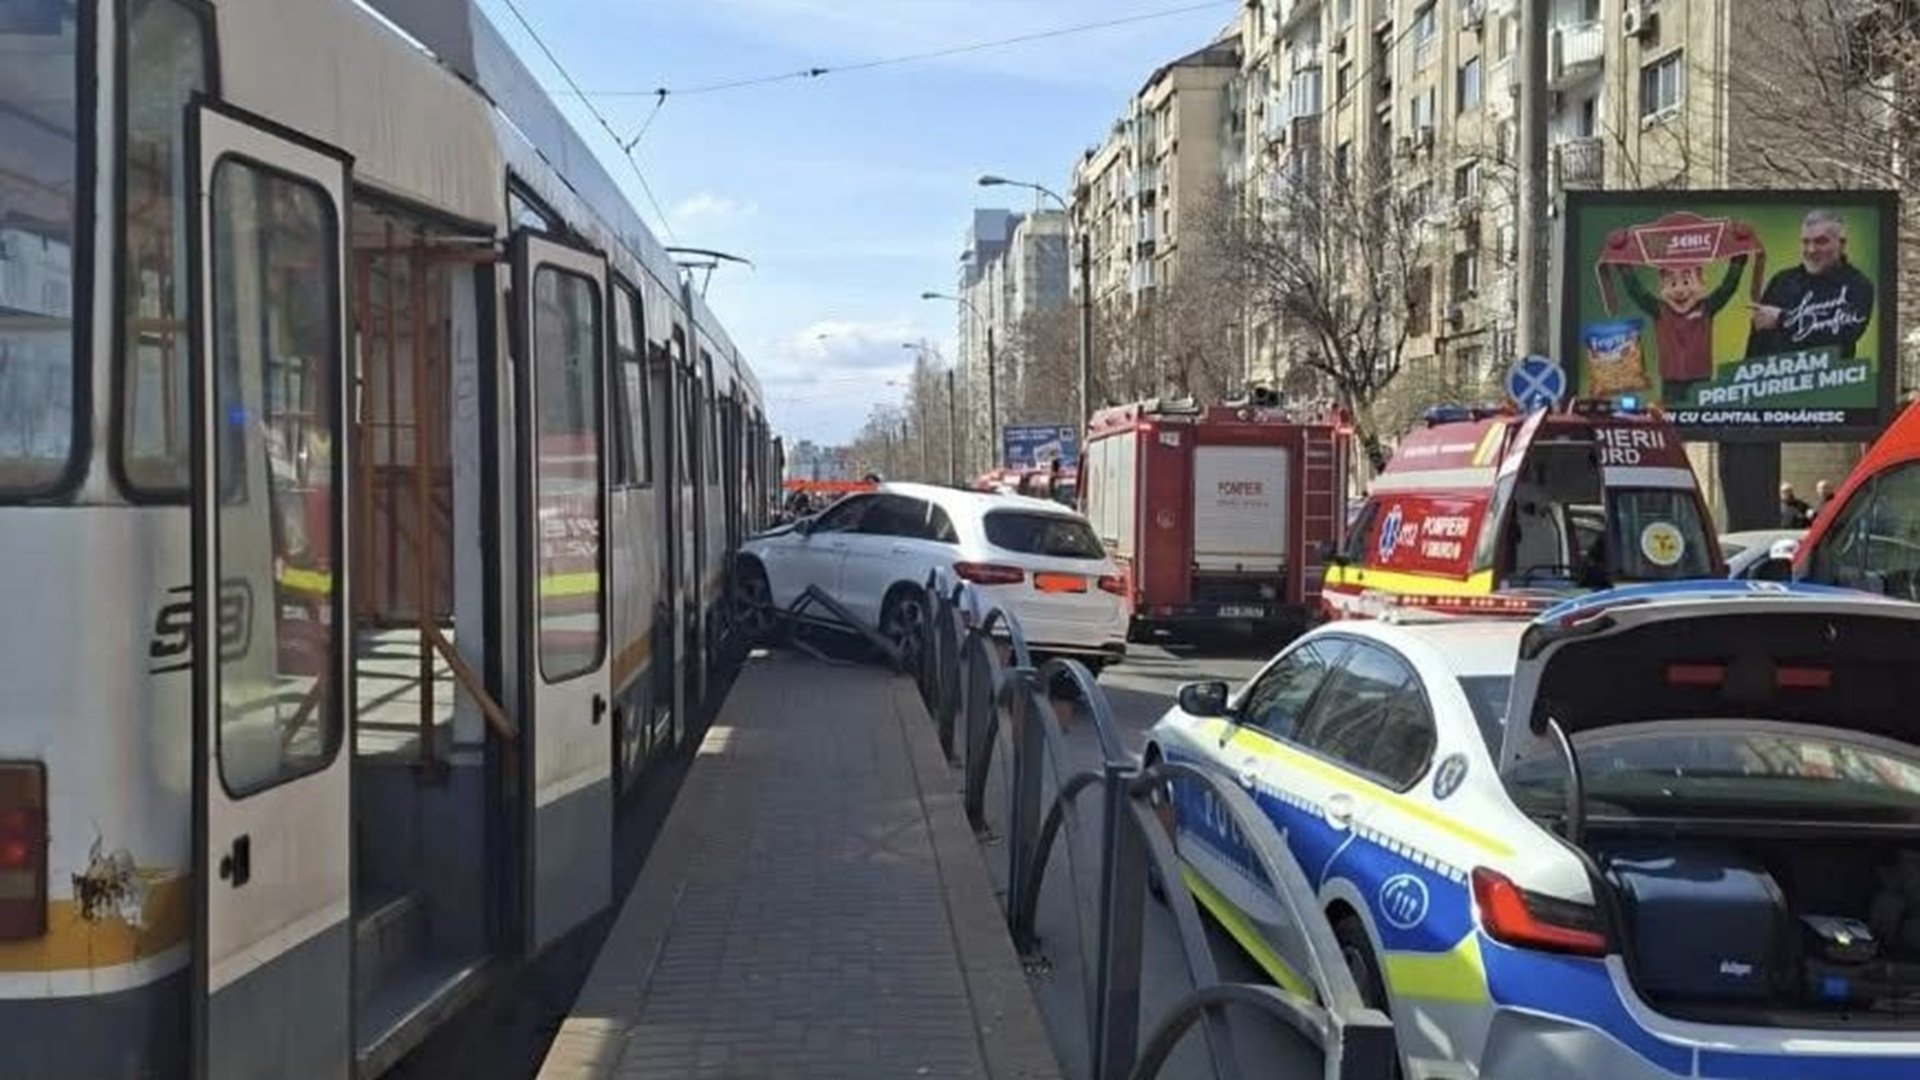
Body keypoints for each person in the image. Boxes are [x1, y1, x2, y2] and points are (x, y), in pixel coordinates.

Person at [1745, 209, 1877, 360]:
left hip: (1829, 375)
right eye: (1806, 242)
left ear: (1841, 244)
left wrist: (1782, 319)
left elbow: (1845, 333)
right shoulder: (1782, 281)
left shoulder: (1858, 285)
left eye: (1821, 241)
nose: (1811, 249)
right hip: (1777, 374)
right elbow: (1757, 343)